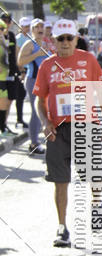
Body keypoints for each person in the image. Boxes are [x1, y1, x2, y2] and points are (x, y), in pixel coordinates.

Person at [33, 19, 102, 247]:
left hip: (87, 124)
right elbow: (40, 100)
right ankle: (62, 227)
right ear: (54, 41)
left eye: (69, 38)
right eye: (61, 39)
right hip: (58, 131)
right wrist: (45, 122)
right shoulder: (47, 65)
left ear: (76, 39)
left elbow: (100, 91)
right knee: (60, 180)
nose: (65, 43)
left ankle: (96, 205)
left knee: (93, 174)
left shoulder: (88, 60)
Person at [17, 17, 51, 154]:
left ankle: (42, 139)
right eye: (36, 27)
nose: (39, 29)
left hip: (46, 81)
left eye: (41, 26)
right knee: (36, 111)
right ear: (32, 30)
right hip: (33, 80)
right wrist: (37, 53)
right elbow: (20, 61)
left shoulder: (47, 43)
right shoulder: (29, 44)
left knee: (46, 110)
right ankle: (33, 143)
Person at [1, 13, 27, 130]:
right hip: (1, 74)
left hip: (11, 73)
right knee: (3, 100)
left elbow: (15, 55)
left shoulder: (12, 35)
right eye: (4, 20)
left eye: (8, 21)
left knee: (10, 100)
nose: (6, 23)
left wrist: (20, 71)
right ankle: (3, 125)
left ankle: (4, 124)